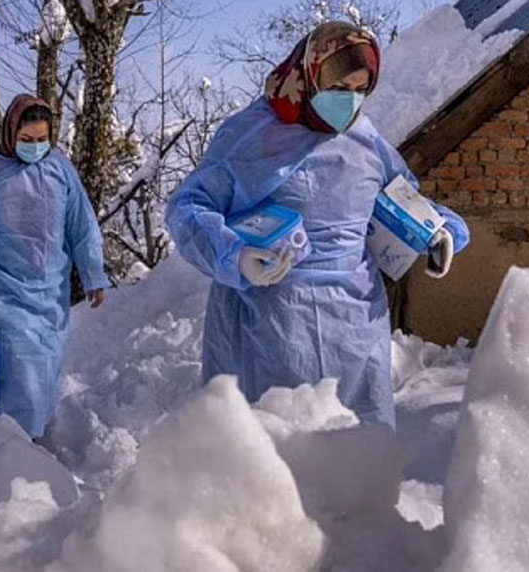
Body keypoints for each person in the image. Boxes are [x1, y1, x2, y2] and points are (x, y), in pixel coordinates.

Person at [166, 21, 470, 428]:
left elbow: (401, 198)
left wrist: (440, 231)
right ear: (311, 74)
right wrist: (235, 256)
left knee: (358, 452)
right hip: (271, 322)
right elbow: (188, 208)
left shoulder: (365, 138)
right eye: (340, 88)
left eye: (362, 90)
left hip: (356, 327)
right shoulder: (251, 135)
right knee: (278, 453)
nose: (351, 101)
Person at [0, 94, 107, 439]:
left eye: (41, 140)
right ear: (11, 133)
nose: (34, 147)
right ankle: (12, 446)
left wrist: (93, 273)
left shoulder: (61, 170)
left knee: (44, 374)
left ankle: (31, 440)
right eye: (26, 140)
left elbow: (82, 226)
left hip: (49, 294)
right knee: (18, 372)